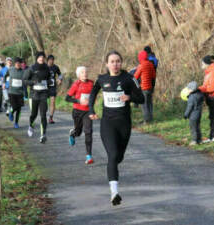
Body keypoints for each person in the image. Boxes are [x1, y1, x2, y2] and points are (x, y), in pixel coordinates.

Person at [89, 50, 144, 206]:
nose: (115, 64)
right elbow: (92, 94)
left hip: (124, 123)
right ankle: (114, 192)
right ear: (107, 64)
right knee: (112, 156)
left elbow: (142, 98)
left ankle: (114, 170)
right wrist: (91, 110)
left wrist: (129, 97)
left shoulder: (129, 78)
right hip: (108, 123)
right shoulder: (101, 79)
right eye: (112, 61)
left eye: (118, 61)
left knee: (119, 157)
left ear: (121, 63)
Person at [66, 66, 94, 164]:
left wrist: (92, 109)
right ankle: (73, 134)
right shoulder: (76, 84)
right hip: (77, 111)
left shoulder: (91, 83)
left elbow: (93, 96)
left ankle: (89, 156)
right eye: (82, 72)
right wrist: (79, 101)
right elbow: (67, 98)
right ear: (78, 75)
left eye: (86, 72)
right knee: (78, 132)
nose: (85, 74)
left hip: (87, 112)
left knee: (88, 131)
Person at [24, 51, 51, 143]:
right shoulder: (31, 68)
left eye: (43, 57)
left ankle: (43, 134)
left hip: (43, 94)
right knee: (34, 114)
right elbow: (25, 81)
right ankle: (31, 125)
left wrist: (49, 82)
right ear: (37, 58)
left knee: (43, 115)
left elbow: (50, 79)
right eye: (40, 57)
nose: (41, 59)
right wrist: (33, 82)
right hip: (34, 95)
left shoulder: (47, 68)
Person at [134, 50, 156, 123]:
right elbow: (153, 76)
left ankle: (146, 121)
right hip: (150, 87)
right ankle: (150, 118)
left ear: (140, 58)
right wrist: (152, 86)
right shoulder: (150, 64)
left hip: (144, 87)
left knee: (144, 104)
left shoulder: (141, 66)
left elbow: (135, 76)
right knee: (149, 103)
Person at [183, 81, 204, 145]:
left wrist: (186, 115)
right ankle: (199, 140)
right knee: (198, 127)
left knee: (193, 128)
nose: (187, 90)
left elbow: (189, 107)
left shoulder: (191, 97)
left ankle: (194, 140)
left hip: (193, 115)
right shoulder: (200, 94)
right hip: (199, 114)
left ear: (192, 89)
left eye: (188, 89)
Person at [8, 57, 25, 128]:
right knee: (14, 106)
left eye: (19, 63)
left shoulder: (23, 72)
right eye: (16, 63)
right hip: (12, 92)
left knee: (19, 109)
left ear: (21, 64)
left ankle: (16, 123)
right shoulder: (10, 70)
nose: (18, 64)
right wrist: (3, 83)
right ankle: (11, 112)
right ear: (14, 64)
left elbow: (26, 80)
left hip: (20, 93)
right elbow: (5, 75)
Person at [47, 55, 63, 124]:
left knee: (52, 102)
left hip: (52, 87)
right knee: (43, 103)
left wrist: (60, 79)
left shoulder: (55, 67)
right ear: (47, 60)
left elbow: (60, 74)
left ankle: (51, 117)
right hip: (45, 87)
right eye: (50, 60)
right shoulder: (44, 66)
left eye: (52, 60)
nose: (51, 61)